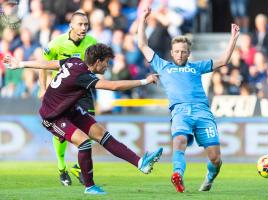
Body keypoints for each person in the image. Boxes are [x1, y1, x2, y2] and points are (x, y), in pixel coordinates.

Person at [4, 43, 163, 195]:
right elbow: (114, 86)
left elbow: (51, 63)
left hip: (69, 109)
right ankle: (90, 186)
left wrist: (21, 63)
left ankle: (141, 163)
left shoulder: (74, 61)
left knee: (102, 134)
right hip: (53, 116)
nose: (107, 66)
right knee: (84, 142)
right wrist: (145, 81)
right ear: (98, 61)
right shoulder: (83, 76)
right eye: (106, 62)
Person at [137, 6, 240, 193]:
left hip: (202, 111)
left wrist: (233, 38)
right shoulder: (163, 66)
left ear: (188, 53)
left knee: (215, 158)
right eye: (176, 51)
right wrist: (142, 20)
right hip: (180, 111)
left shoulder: (197, 67)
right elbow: (143, 45)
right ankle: (177, 175)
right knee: (179, 142)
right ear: (172, 51)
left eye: (183, 51)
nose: (180, 55)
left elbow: (224, 60)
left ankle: (209, 178)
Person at [39, 11, 97, 186]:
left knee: (91, 127)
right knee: (61, 133)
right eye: (80, 24)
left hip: (83, 92)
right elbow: (43, 65)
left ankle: (78, 167)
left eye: (86, 24)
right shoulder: (57, 44)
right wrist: (42, 88)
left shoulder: (92, 43)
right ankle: (61, 167)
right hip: (62, 94)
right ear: (71, 25)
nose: (84, 28)